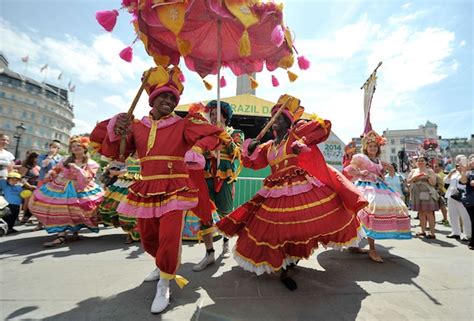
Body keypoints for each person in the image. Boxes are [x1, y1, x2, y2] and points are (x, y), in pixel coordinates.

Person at [89, 66, 229, 314]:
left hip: (176, 187)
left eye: (173, 98)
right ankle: (161, 264)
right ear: (152, 100)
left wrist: (197, 150)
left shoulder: (185, 124)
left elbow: (214, 135)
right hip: (147, 187)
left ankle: (165, 283)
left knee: (169, 237)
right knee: (148, 237)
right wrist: (116, 127)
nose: (169, 101)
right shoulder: (137, 126)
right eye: (164, 97)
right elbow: (117, 151)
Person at [217, 95, 367, 290]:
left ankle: (289, 265)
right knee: (274, 229)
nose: (274, 122)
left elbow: (323, 129)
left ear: (288, 122)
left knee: (301, 227)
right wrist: (250, 149)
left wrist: (302, 137)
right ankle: (286, 262)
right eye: (272, 119)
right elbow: (253, 164)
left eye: (278, 118)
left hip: (301, 187)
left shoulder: (295, 136)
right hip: (275, 192)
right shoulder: (268, 147)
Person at [192, 100, 244, 272]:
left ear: (225, 117)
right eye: (211, 114)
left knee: (225, 213)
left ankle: (226, 244)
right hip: (205, 176)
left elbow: (237, 154)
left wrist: (224, 137)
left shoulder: (235, 133)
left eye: (217, 115)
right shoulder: (204, 133)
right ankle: (209, 253)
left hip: (225, 177)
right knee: (205, 214)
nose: (214, 117)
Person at [345, 130, 412, 262]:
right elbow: (349, 170)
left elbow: (380, 175)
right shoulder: (360, 157)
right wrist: (361, 172)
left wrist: (386, 171)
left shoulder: (379, 161)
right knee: (361, 215)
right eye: (370, 146)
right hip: (363, 187)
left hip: (378, 188)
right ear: (366, 147)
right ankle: (356, 245)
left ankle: (371, 249)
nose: (373, 148)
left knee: (373, 216)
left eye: (375, 146)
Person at [29, 136, 104, 247]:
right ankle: (61, 236)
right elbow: (56, 169)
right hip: (60, 186)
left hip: (80, 187)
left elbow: (88, 178)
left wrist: (78, 169)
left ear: (85, 148)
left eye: (78, 146)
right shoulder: (65, 159)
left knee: (77, 211)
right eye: (73, 146)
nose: (76, 148)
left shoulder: (91, 163)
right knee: (60, 210)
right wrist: (50, 174)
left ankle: (75, 231)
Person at [98, 156, 141, 244]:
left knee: (141, 209)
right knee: (123, 209)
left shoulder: (149, 152)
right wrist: (115, 171)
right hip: (124, 184)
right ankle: (130, 232)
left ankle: (138, 232)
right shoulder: (126, 154)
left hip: (142, 182)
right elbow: (112, 168)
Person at [407, 156, 439, 239]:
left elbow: (433, 183)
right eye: (419, 161)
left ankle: (432, 232)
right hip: (416, 192)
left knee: (429, 212)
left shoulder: (430, 171)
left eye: (422, 161)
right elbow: (408, 181)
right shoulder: (414, 171)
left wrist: (427, 176)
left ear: (426, 162)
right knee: (420, 212)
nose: (420, 162)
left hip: (427, 193)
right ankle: (423, 231)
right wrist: (415, 177)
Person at [444, 156, 471, 241]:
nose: (458, 167)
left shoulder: (467, 173)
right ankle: (456, 232)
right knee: (452, 215)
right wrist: (450, 174)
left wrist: (463, 171)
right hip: (452, 196)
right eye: (457, 165)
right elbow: (445, 181)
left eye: (460, 164)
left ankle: (468, 234)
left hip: (462, 196)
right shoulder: (454, 173)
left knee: (465, 216)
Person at [18, 151, 40, 224]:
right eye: (37, 157)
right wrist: (29, 186)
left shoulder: (38, 167)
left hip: (37, 187)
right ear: (32, 158)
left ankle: (29, 217)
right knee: (27, 203)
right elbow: (21, 178)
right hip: (27, 187)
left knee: (35, 203)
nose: (38, 159)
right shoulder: (26, 166)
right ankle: (24, 217)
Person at [460, 154, 474, 250]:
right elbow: (463, 181)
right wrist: (464, 171)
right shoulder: (469, 173)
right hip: (471, 201)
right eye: (472, 161)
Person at [433, 161, 449, 226]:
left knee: (442, 206)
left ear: (440, 167)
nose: (434, 168)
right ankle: (445, 219)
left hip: (442, 192)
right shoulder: (438, 174)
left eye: (436, 166)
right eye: (434, 167)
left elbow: (441, 185)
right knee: (442, 207)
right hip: (442, 192)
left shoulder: (441, 175)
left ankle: (445, 219)